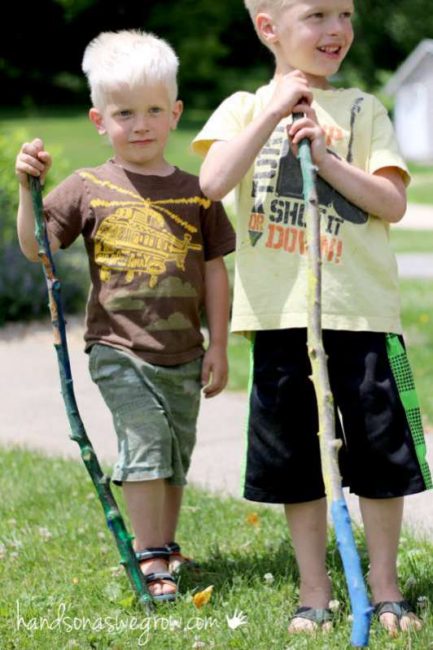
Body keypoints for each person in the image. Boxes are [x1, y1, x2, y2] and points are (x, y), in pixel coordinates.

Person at [192, 0, 431, 636]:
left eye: (345, 14)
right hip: (278, 320)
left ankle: (385, 585)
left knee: (382, 452)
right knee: (297, 459)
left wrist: (326, 162)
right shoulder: (244, 107)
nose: (336, 31)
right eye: (317, 15)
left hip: (363, 315)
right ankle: (313, 590)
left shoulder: (362, 109)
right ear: (268, 28)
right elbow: (212, 182)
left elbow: (393, 202)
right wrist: (273, 110)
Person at [16, 29, 235, 602]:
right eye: (124, 113)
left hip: (185, 350)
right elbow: (37, 247)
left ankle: (163, 545)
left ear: (176, 113)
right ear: (98, 119)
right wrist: (27, 191)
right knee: (146, 440)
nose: (141, 124)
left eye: (154, 110)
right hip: (117, 347)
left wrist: (219, 345)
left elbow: (215, 270)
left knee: (175, 453)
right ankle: (148, 555)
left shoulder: (199, 193)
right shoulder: (88, 187)